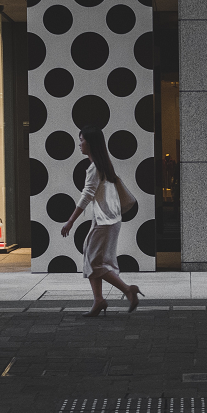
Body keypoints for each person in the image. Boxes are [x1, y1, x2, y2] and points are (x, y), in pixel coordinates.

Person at [60, 126, 144, 316]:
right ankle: (98, 300)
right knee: (94, 259)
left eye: (81, 140)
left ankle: (127, 290)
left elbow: (86, 196)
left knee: (94, 262)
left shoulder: (94, 168)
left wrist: (70, 221)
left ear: (90, 143)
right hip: (110, 219)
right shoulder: (104, 166)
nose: (79, 144)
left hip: (105, 221)